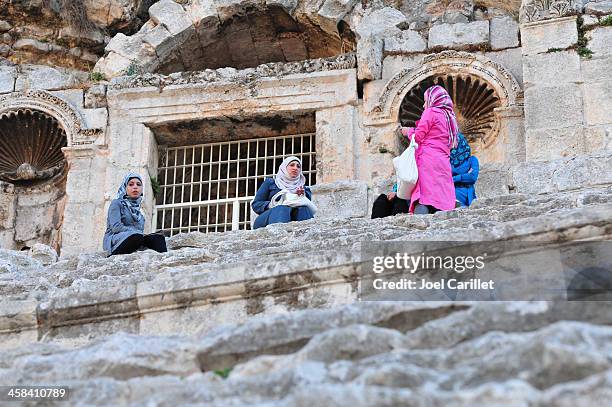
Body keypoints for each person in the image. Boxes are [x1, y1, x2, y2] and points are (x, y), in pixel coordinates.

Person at [400, 85, 458, 215]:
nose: (423, 105)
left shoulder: (431, 112)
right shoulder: (450, 118)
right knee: (440, 198)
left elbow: (418, 136)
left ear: (433, 99)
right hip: (443, 162)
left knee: (424, 198)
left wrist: (408, 131)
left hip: (427, 160)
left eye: (426, 101)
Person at [103, 172, 167, 255]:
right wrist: (135, 233)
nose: (135, 187)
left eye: (138, 184)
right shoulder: (117, 203)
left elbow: (140, 233)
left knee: (158, 239)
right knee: (136, 237)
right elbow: (116, 227)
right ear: (125, 188)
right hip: (116, 239)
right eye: (131, 184)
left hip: (135, 238)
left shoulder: (140, 215)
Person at [251, 156, 314, 229]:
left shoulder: (304, 189)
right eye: (292, 165)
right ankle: (278, 235)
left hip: (293, 219)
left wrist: (300, 196)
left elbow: (308, 209)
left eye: (298, 166)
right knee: (281, 208)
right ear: (284, 168)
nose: (295, 168)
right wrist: (272, 204)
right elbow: (256, 205)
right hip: (267, 220)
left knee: (304, 209)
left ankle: (306, 235)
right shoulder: (271, 183)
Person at [451, 132, 479, 207]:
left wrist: (453, 178)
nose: (454, 146)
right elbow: (444, 179)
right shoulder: (447, 162)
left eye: (456, 142)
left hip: (468, 196)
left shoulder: (472, 160)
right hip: (452, 194)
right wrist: (465, 176)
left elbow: (472, 177)